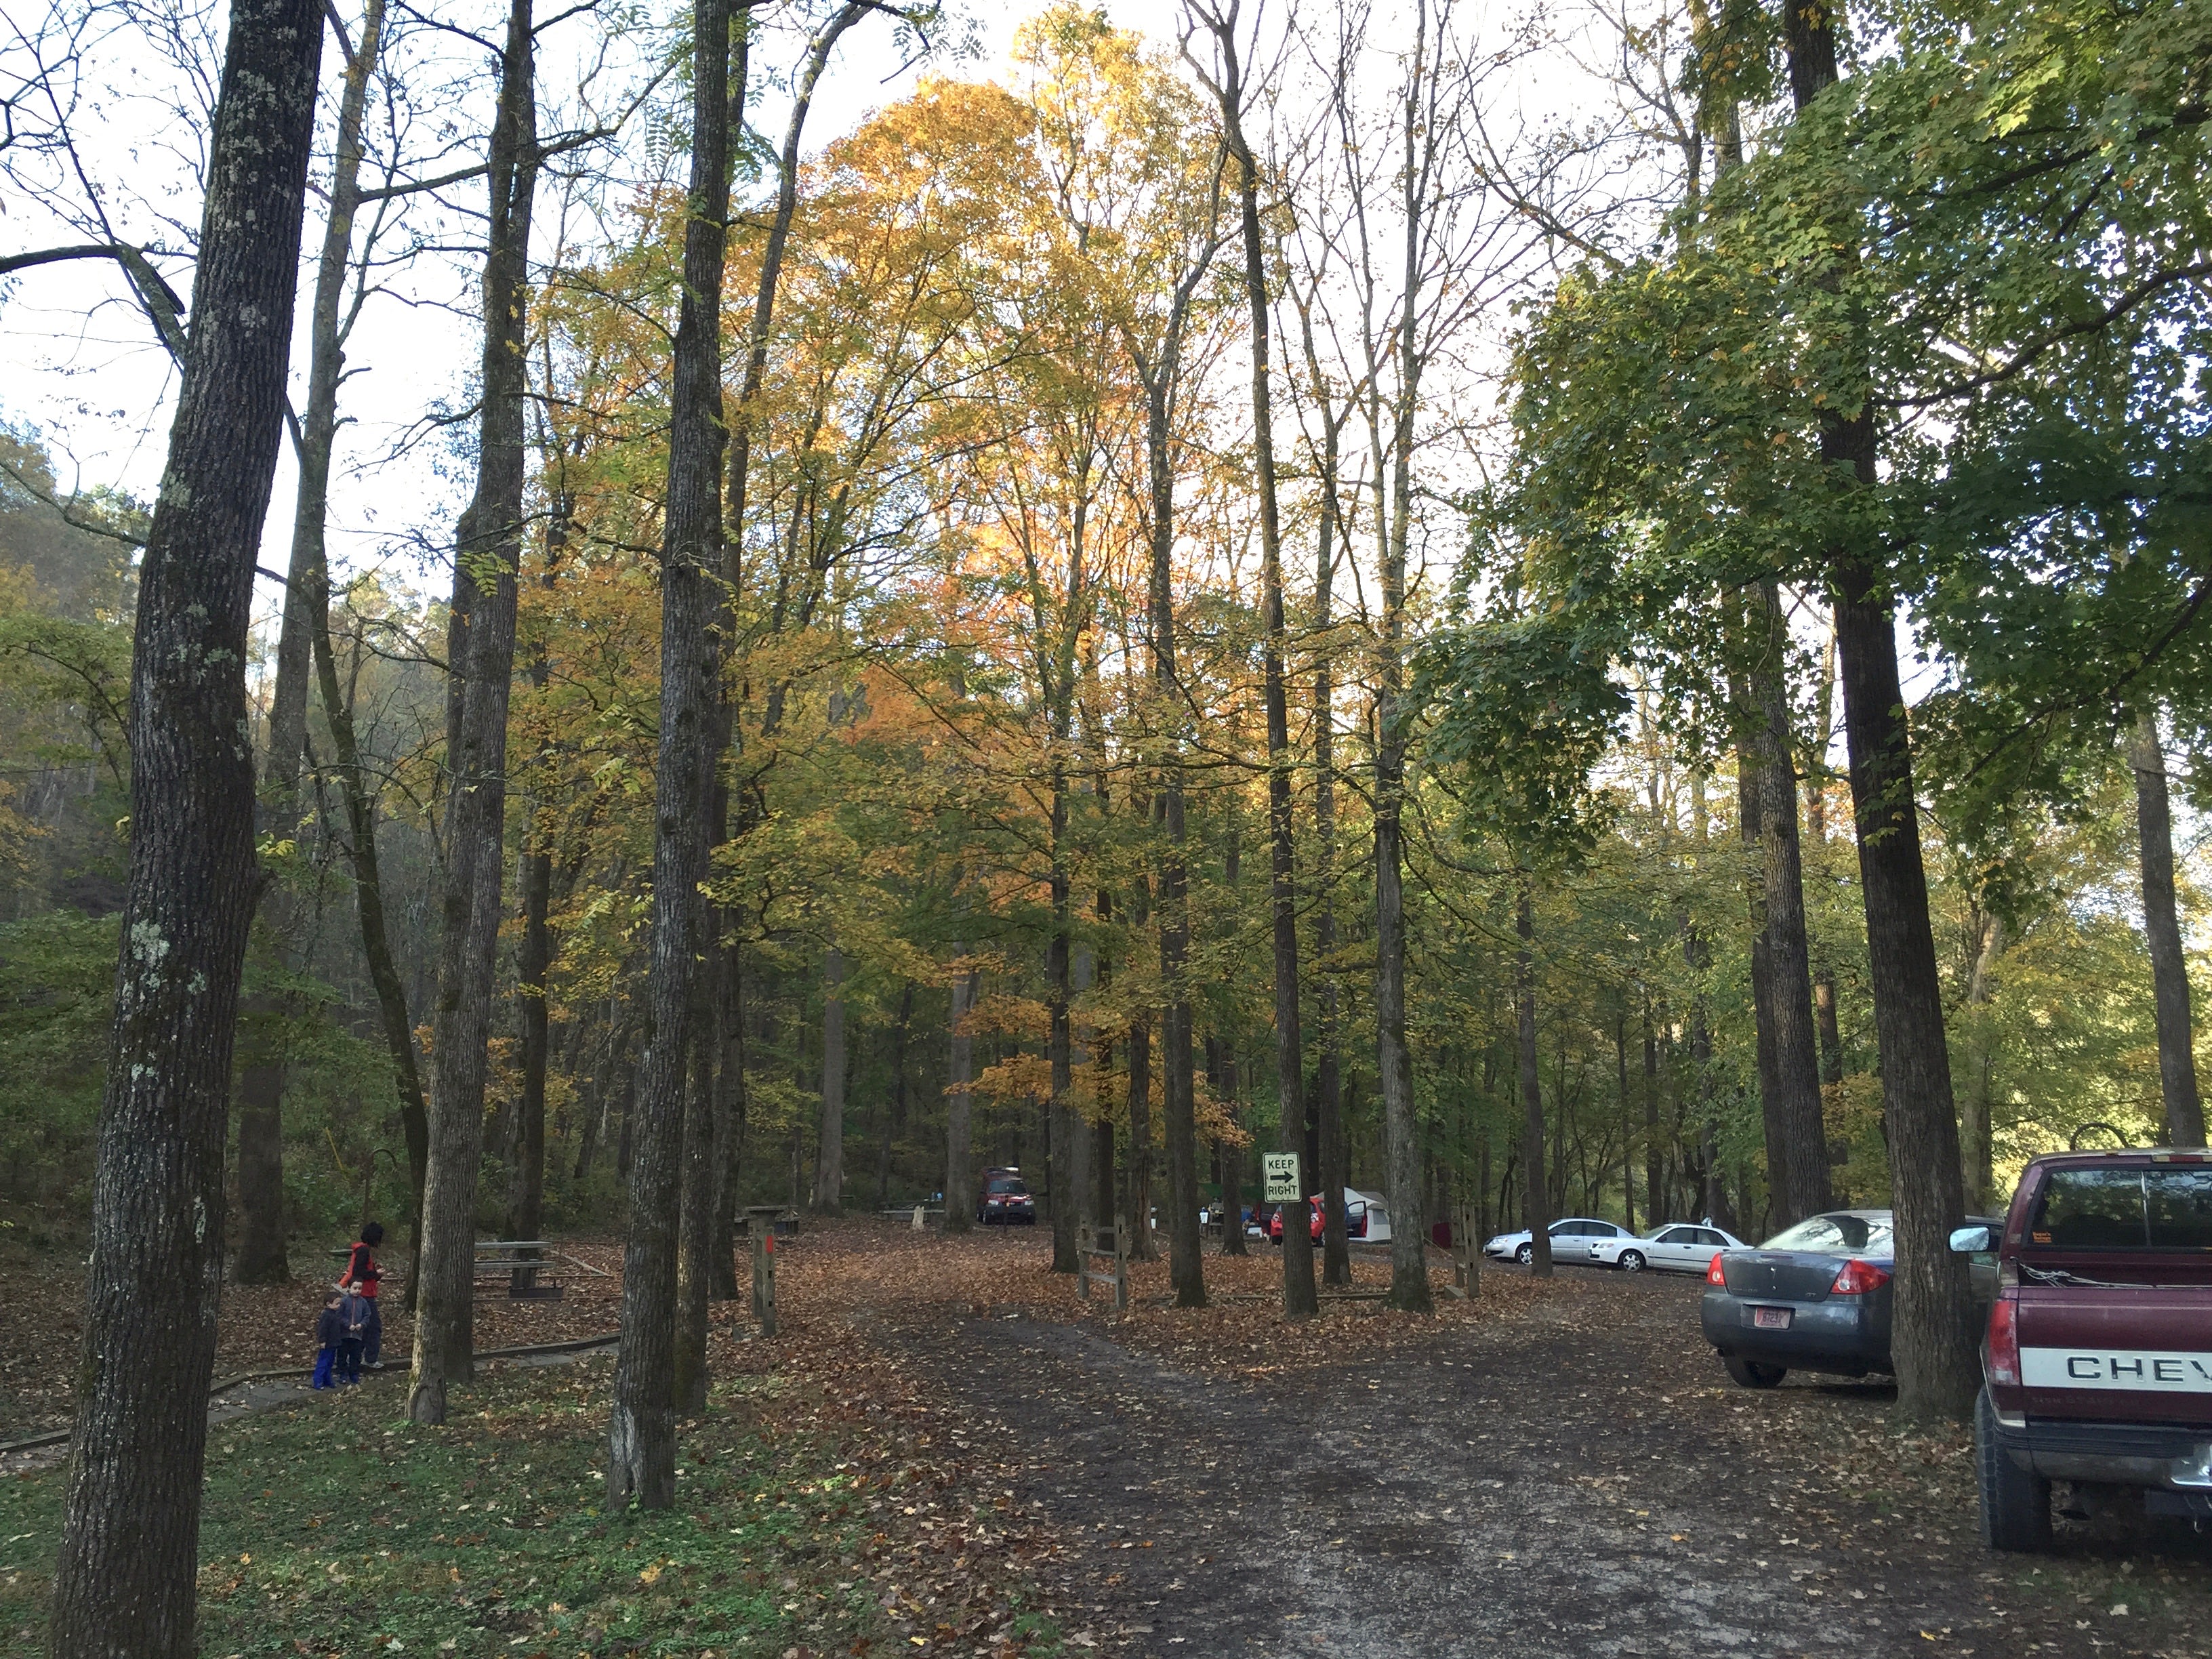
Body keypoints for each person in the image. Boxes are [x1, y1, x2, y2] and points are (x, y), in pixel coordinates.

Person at [344, 1221, 386, 1370]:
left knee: (364, 1327)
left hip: (366, 1293)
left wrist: (376, 1275)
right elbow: (358, 1272)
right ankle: (370, 1358)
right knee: (373, 1327)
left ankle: (354, 1357)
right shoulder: (363, 1251)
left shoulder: (361, 1250)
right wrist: (375, 1274)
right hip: (365, 1294)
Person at [311, 1291, 346, 1390]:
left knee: (329, 1363)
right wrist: (322, 1340)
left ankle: (327, 1380)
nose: (339, 1306)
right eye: (337, 1304)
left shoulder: (335, 1314)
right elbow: (323, 1329)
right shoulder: (326, 1315)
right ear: (328, 1304)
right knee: (323, 1362)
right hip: (327, 1343)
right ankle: (317, 1381)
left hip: (334, 1342)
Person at [337, 1282, 367, 1385]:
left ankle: (354, 1373)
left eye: (360, 1288)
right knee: (342, 1355)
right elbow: (339, 1315)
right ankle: (342, 1373)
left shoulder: (363, 1302)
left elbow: (367, 1315)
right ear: (350, 1288)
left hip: (357, 1335)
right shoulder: (344, 1301)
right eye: (355, 1288)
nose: (357, 1291)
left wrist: (361, 1324)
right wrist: (348, 1325)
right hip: (344, 1334)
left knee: (356, 1355)